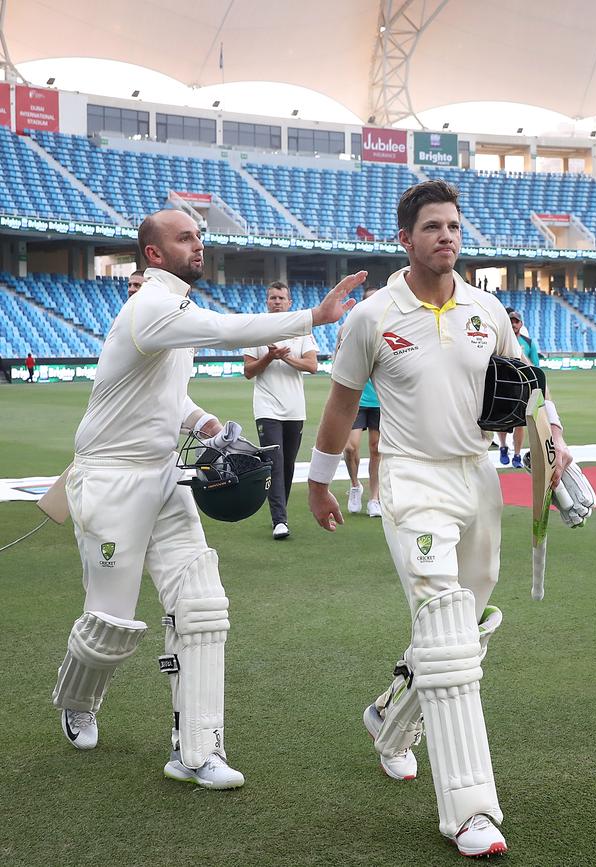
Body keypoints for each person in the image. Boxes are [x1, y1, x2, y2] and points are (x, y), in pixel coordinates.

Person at [52, 208, 366, 790]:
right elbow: (225, 332)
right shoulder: (150, 307)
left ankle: (196, 750)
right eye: (184, 238)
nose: (198, 245)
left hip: (164, 474)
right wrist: (314, 316)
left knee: (201, 606)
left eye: (199, 235)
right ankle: (77, 698)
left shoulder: (173, 308)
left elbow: (166, 396)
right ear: (153, 254)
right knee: (111, 625)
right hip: (110, 479)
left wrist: (206, 424)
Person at [307, 180, 571, 858]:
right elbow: (340, 405)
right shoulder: (371, 316)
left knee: (467, 617)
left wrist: (553, 437)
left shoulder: (487, 308)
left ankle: (390, 718)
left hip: (478, 476)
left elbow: (526, 383)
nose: (446, 236)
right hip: (412, 478)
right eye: (432, 226)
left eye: (453, 225)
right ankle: (470, 811)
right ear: (406, 239)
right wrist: (319, 480)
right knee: (450, 631)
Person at [242, 282, 318, 540]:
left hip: (295, 409)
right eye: (272, 297)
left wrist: (284, 357)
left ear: (289, 302)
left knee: (287, 464)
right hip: (267, 407)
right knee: (274, 462)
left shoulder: (301, 331)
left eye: (281, 298)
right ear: (267, 301)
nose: (276, 301)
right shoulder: (258, 331)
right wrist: (269, 357)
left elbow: (312, 365)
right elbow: (248, 372)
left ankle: (279, 509)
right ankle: (280, 519)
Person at [343, 287, 382, 517]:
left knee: (377, 449)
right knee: (350, 448)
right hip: (357, 399)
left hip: (380, 401)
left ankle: (374, 498)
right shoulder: (348, 330)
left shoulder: (390, 331)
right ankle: (355, 485)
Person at [498, 309, 541, 468]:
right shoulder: (501, 340)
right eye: (511, 321)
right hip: (503, 383)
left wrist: (522, 355)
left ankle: (517, 455)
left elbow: (535, 366)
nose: (513, 324)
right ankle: (503, 446)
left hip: (521, 386)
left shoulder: (528, 343)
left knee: (520, 423)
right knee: (501, 419)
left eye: (516, 321)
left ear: (521, 324)